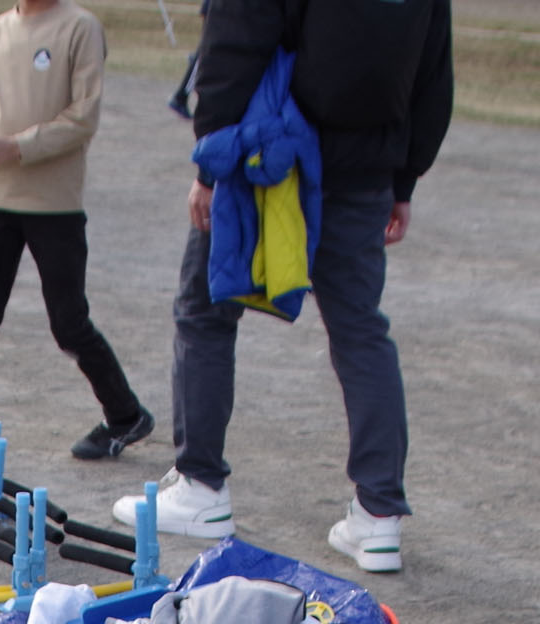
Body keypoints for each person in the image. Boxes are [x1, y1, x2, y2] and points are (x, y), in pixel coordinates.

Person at [125, 0, 450, 574]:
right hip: (366, 169)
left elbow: (234, 41)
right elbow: (434, 69)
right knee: (360, 330)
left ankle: (201, 486)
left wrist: (210, 165)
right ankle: (379, 516)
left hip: (272, 159)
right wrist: (404, 178)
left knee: (205, 309)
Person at [0, 0, 150, 472]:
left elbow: (83, 118)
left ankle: (125, 415)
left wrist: (15, 147)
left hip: (54, 204)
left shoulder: (80, 28)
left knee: (69, 322)